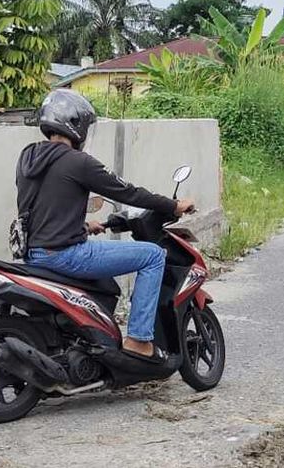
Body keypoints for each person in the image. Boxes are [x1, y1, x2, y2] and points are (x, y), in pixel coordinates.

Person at [17, 89, 194, 363]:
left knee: (107, 282)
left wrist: (84, 226)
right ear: (75, 126)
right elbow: (129, 193)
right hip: (65, 254)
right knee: (153, 255)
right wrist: (173, 206)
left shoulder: (28, 157)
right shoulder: (78, 162)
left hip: (35, 252)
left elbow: (43, 205)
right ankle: (139, 340)